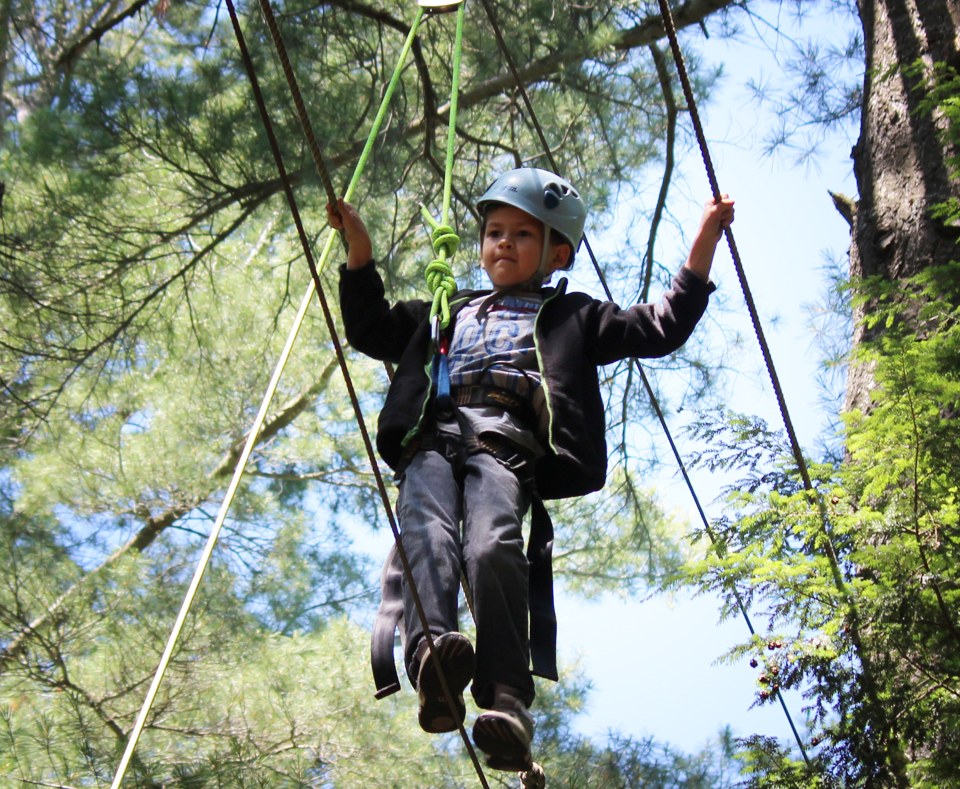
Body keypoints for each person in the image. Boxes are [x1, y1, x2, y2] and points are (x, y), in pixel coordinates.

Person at [329, 168, 733, 772]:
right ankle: (432, 655)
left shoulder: (573, 316)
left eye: (522, 234)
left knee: (493, 545)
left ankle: (507, 698)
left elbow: (661, 325)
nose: (504, 243)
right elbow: (370, 327)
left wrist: (704, 241)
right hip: (432, 440)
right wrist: (359, 251)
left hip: (505, 446)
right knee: (428, 533)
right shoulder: (445, 310)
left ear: (557, 252)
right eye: (494, 232)